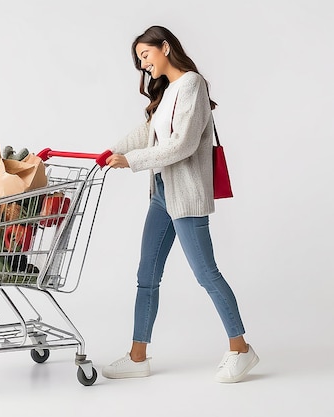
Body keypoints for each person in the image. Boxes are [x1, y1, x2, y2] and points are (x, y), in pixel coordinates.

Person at [102, 25, 259, 383]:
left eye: (146, 55)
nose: (144, 66)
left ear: (165, 47)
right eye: (139, 60)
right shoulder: (170, 91)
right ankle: (138, 357)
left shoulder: (192, 84)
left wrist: (132, 161)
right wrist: (111, 150)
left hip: (185, 195)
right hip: (160, 193)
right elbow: (147, 133)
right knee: (147, 276)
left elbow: (183, 144)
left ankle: (241, 349)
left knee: (206, 273)